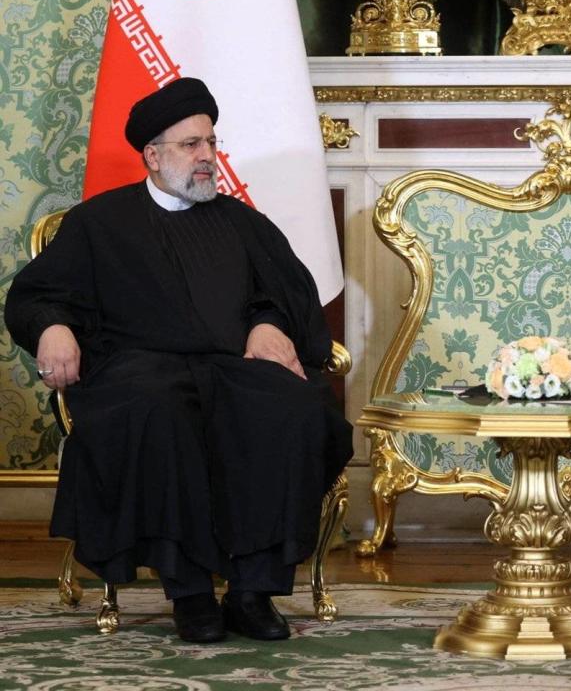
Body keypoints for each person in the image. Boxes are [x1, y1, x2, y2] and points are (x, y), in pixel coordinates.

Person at [4, 78, 354, 643]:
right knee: (156, 410)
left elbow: (288, 292)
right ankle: (189, 592)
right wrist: (52, 329)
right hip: (139, 368)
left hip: (234, 366)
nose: (207, 157)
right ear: (153, 154)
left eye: (211, 143)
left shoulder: (240, 221)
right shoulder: (99, 222)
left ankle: (253, 591)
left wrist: (267, 323)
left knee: (294, 406)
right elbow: (38, 295)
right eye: (191, 145)